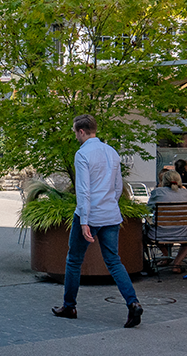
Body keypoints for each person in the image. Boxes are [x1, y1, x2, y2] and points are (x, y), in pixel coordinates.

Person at [53, 114, 143, 328]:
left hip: (91, 215)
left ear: (81, 131)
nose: (76, 135)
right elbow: (118, 186)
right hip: (110, 214)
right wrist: (111, 203)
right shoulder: (111, 151)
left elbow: (83, 190)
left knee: (74, 259)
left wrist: (84, 221)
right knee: (113, 261)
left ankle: (69, 306)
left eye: (76, 132)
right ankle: (133, 303)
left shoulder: (83, 154)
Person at [148, 169, 187, 273]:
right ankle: (177, 263)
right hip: (184, 233)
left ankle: (166, 256)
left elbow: (147, 209)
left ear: (163, 181)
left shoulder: (157, 192)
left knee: (147, 229)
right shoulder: (185, 193)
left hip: (159, 234)